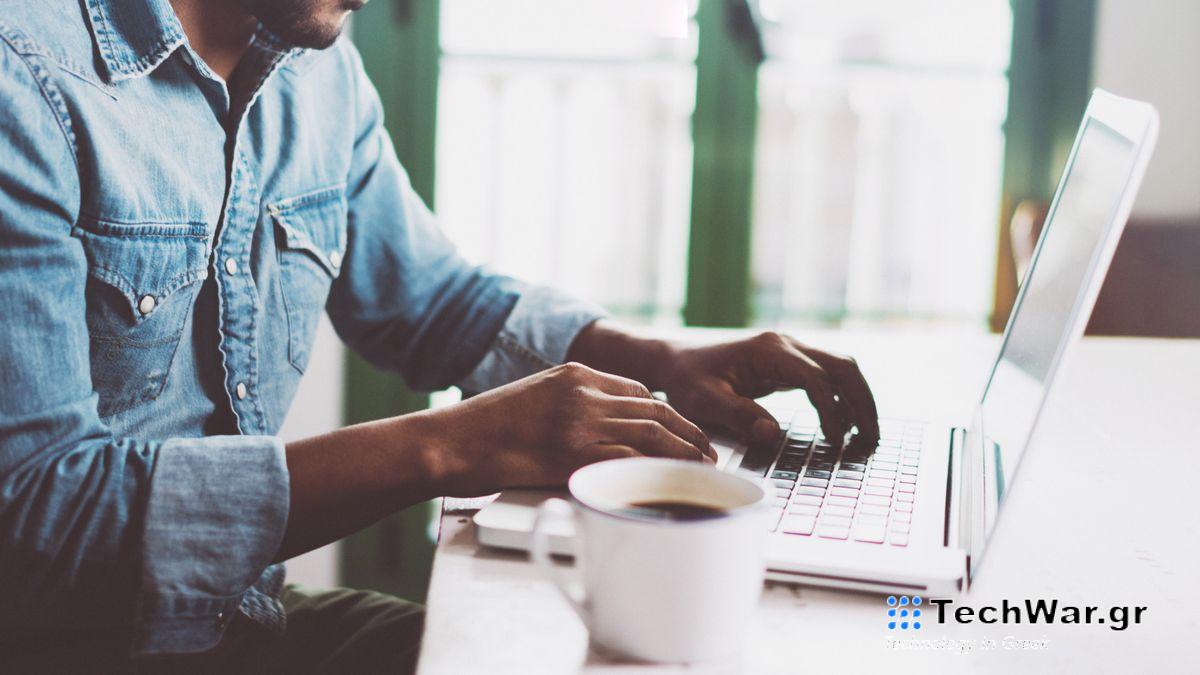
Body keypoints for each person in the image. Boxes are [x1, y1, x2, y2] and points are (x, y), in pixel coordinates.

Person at [0, 0, 879, 670]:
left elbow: (432, 302)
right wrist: (459, 445)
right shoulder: (23, 75)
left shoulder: (316, 71)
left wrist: (663, 365)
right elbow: (36, 519)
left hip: (238, 623)